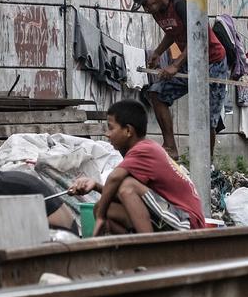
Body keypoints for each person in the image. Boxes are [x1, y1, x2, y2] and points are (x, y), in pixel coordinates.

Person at [131, 0, 234, 159]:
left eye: (146, 3)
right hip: (190, 62)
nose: (146, 10)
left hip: (213, 62)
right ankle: (171, 147)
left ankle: (206, 165)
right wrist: (158, 52)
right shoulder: (157, 12)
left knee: (206, 117)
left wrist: (176, 65)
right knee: (156, 93)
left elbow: (198, 37)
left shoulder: (180, 4)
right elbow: (172, 33)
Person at [68, 100, 204, 235]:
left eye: (111, 128)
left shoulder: (144, 149)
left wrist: (101, 218)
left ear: (128, 130)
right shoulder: (140, 152)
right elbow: (121, 195)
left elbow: (115, 179)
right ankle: (133, 251)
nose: (107, 134)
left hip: (187, 222)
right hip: (173, 216)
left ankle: (145, 247)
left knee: (127, 186)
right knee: (102, 207)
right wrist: (96, 186)